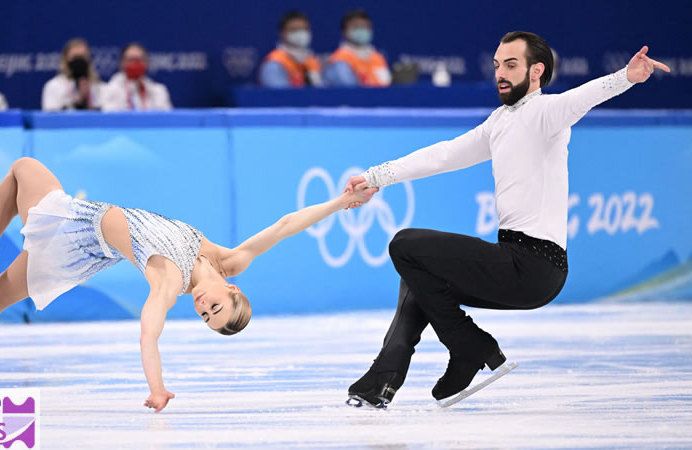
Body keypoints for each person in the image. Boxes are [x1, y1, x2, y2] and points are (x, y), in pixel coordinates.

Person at [343, 32, 670, 408]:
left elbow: (583, 97)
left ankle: (469, 344)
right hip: (513, 261)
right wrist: (376, 176)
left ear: (536, 71)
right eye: (497, 65)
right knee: (420, 275)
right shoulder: (500, 122)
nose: (500, 73)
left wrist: (625, 77)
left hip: (535, 265)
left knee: (405, 245)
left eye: (511, 65)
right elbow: (444, 155)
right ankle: (383, 380)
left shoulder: (546, 113)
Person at [0, 157, 376, 412]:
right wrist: (340, 202)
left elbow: (148, 332)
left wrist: (157, 388)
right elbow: (285, 225)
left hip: (78, 227)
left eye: (204, 317)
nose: (203, 307)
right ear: (233, 290)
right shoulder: (230, 260)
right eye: (215, 308)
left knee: (22, 168)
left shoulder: (169, 276)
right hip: (83, 256)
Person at [324, 9, 390, 87]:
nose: (362, 30)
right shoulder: (339, 59)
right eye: (356, 27)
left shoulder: (378, 57)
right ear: (344, 32)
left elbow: (386, 84)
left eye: (365, 26)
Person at [258, 10, 323, 88]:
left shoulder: (311, 60)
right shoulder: (274, 63)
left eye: (304, 29)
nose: (300, 34)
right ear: (282, 33)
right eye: (294, 30)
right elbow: (279, 96)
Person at [101, 43, 172, 111]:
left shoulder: (159, 91)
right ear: (122, 63)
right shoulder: (109, 90)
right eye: (131, 60)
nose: (135, 63)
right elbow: (110, 118)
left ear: (146, 63)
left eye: (139, 60)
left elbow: (166, 119)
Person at [41, 38, 104, 111]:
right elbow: (50, 116)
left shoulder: (99, 87)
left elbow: (105, 113)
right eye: (75, 57)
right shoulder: (53, 86)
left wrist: (88, 101)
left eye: (82, 57)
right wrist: (77, 101)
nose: (79, 61)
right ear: (66, 59)